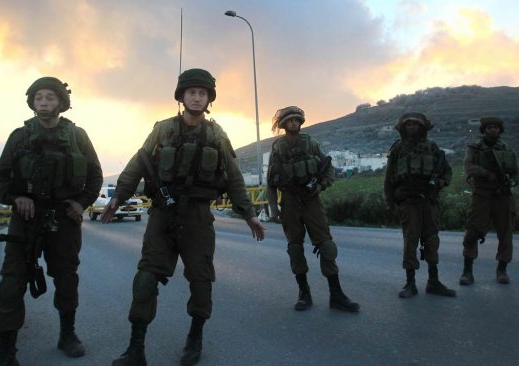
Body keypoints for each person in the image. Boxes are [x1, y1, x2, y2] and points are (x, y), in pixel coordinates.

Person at [103, 68, 266, 366]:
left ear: (209, 99)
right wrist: (117, 198)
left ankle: (195, 337)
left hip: (197, 217)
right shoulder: (162, 129)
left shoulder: (217, 135)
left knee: (201, 280)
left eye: (202, 93)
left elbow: (234, 178)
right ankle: (135, 348)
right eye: (191, 92)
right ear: (181, 97)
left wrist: (250, 215)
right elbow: (136, 165)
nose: (196, 97)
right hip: (162, 216)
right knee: (145, 279)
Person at [0, 77, 103, 365]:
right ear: (32, 102)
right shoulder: (19, 136)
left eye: (50, 97)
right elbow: (0, 177)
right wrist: (16, 198)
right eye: (39, 97)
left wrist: (81, 203)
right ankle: (7, 350)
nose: (43, 102)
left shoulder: (78, 136)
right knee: (11, 282)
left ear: (61, 103)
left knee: (66, 279)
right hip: (26, 219)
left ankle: (68, 335)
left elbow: (94, 177)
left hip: (63, 220)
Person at [266, 106, 360, 313]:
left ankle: (336, 294)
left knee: (326, 246)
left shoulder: (311, 143)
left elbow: (328, 170)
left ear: (300, 122)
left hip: (311, 201)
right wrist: (273, 209)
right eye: (289, 121)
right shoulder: (278, 148)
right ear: (283, 125)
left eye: (295, 120)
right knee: (296, 248)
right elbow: (270, 182)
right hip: (290, 202)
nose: (293, 124)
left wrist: (319, 186)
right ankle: (304, 293)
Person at [384, 112, 456, 298]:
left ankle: (433, 281)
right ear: (403, 128)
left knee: (431, 240)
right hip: (408, 202)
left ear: (422, 127)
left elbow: (447, 172)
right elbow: (389, 179)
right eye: (408, 125)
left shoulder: (432, 148)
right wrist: (391, 203)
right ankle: (410, 283)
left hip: (428, 201)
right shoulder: (398, 149)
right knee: (410, 243)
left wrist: (439, 183)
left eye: (415, 125)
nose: (411, 128)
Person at [459, 117, 519, 285]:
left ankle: (502, 270)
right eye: (489, 127)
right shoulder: (475, 149)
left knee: (505, 234)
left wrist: (511, 182)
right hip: (482, 194)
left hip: (502, 195)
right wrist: (487, 174)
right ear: (484, 130)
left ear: (500, 130)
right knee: (472, 232)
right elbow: (468, 167)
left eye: (496, 128)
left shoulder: (507, 150)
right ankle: (467, 271)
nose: (493, 130)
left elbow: (516, 173)